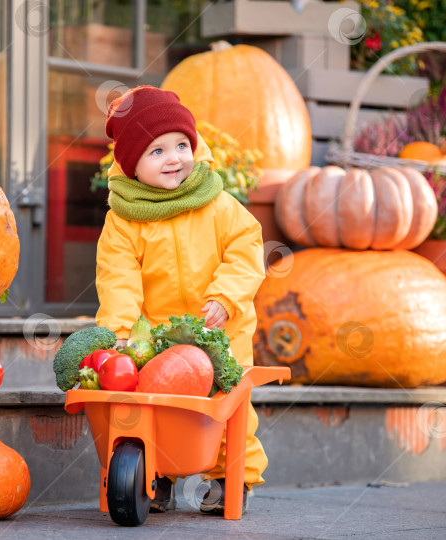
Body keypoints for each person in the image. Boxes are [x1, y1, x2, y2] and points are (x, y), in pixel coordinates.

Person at [95, 85, 267, 515]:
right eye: (156, 152)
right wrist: (119, 332)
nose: (174, 158)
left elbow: (246, 250)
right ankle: (157, 474)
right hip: (159, 334)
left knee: (227, 408)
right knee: (157, 406)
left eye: (181, 145)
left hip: (222, 327)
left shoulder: (218, 204)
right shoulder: (123, 220)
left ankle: (232, 478)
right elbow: (118, 279)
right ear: (132, 165)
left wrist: (226, 297)